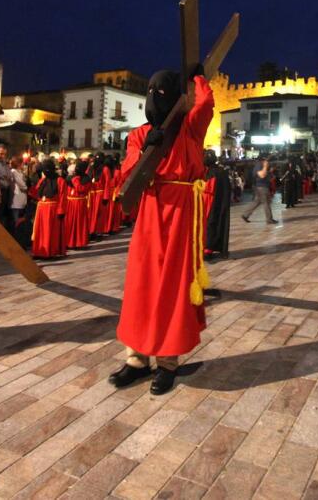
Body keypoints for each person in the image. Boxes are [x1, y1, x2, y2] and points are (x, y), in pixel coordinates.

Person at [110, 66, 213, 395]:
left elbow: (205, 104)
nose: (155, 97)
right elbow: (127, 175)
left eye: (163, 91)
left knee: (172, 286)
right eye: (150, 92)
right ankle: (136, 359)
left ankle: (168, 362)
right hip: (151, 213)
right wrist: (145, 152)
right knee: (142, 284)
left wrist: (197, 80)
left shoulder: (190, 130)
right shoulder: (138, 135)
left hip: (181, 215)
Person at [29, 159, 67, 258]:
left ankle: (50, 252)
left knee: (49, 231)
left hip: (52, 209)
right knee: (40, 231)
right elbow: (36, 193)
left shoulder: (60, 181)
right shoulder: (42, 180)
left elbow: (63, 197)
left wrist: (61, 210)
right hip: (41, 208)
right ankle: (38, 251)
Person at [203, 151, 231, 260]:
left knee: (208, 224)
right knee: (213, 224)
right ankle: (208, 249)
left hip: (207, 202)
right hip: (218, 203)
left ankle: (206, 249)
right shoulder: (222, 172)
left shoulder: (204, 171)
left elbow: (207, 188)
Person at [64, 160, 92, 249]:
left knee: (79, 223)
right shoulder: (72, 177)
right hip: (70, 203)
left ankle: (79, 243)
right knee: (69, 223)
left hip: (79, 203)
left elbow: (81, 189)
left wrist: (75, 180)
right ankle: (68, 242)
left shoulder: (86, 179)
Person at [242, 159, 277, 224]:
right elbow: (262, 175)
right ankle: (269, 219)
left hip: (262, 186)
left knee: (257, 202)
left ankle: (245, 215)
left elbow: (266, 175)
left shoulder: (261, 165)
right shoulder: (259, 165)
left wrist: (270, 172)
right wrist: (265, 166)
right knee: (266, 203)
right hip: (262, 187)